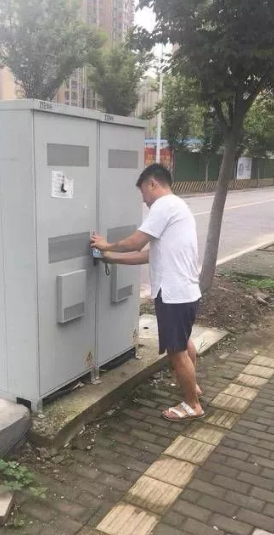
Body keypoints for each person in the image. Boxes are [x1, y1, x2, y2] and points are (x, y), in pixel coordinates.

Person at [91, 163, 203, 422]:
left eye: (143, 192)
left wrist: (106, 245)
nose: (144, 200)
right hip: (186, 292)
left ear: (153, 183)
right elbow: (149, 255)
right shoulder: (179, 207)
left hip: (173, 294)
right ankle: (193, 387)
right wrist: (111, 258)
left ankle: (192, 405)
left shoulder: (164, 205)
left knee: (176, 352)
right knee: (184, 343)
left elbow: (136, 242)